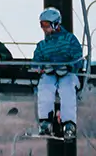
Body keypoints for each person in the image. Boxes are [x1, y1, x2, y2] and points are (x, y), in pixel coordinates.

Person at [34, 7, 83, 139]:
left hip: (67, 74)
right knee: (45, 87)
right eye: (42, 25)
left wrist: (69, 67)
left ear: (55, 24)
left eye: (46, 25)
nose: (44, 28)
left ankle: (69, 124)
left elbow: (78, 58)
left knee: (67, 88)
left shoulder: (69, 40)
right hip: (50, 74)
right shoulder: (43, 45)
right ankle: (45, 122)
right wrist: (42, 67)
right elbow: (36, 61)